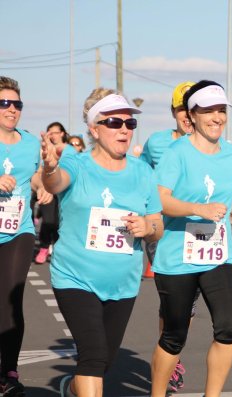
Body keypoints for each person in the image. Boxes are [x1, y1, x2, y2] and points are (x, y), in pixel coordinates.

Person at [41, 88, 163, 397]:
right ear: (94, 129)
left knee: (103, 362)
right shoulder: (77, 164)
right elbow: (55, 184)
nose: (124, 129)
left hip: (123, 283)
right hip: (75, 277)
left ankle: (70, 388)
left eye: (129, 124)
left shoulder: (143, 172)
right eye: (114, 123)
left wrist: (147, 226)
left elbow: (158, 226)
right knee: (94, 356)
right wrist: (50, 168)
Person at [150, 80, 232, 397]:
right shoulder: (176, 154)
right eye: (208, 110)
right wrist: (197, 208)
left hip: (219, 255)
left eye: (221, 110)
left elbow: (228, 190)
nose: (217, 117)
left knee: (228, 329)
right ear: (192, 115)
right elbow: (159, 199)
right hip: (177, 258)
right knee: (174, 337)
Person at [140, 81, 195, 394]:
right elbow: (143, 172)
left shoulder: (210, 145)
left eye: (192, 109)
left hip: (195, 232)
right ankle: (171, 358)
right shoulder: (157, 143)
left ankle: (173, 353)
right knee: (172, 297)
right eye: (181, 109)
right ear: (174, 112)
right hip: (161, 229)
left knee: (187, 305)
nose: (187, 115)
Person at [0, 76, 52, 397]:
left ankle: (9, 371)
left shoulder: (31, 143)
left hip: (18, 228)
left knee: (11, 295)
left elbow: (34, 176)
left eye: (17, 104)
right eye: (5, 103)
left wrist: (42, 185)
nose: (12, 110)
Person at [34, 122, 76, 264]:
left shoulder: (70, 150)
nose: (52, 135)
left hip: (65, 193)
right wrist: (42, 184)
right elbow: (40, 171)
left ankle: (59, 250)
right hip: (48, 191)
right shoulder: (45, 150)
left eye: (55, 132)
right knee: (48, 220)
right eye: (49, 132)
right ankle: (44, 247)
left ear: (62, 134)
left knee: (60, 222)